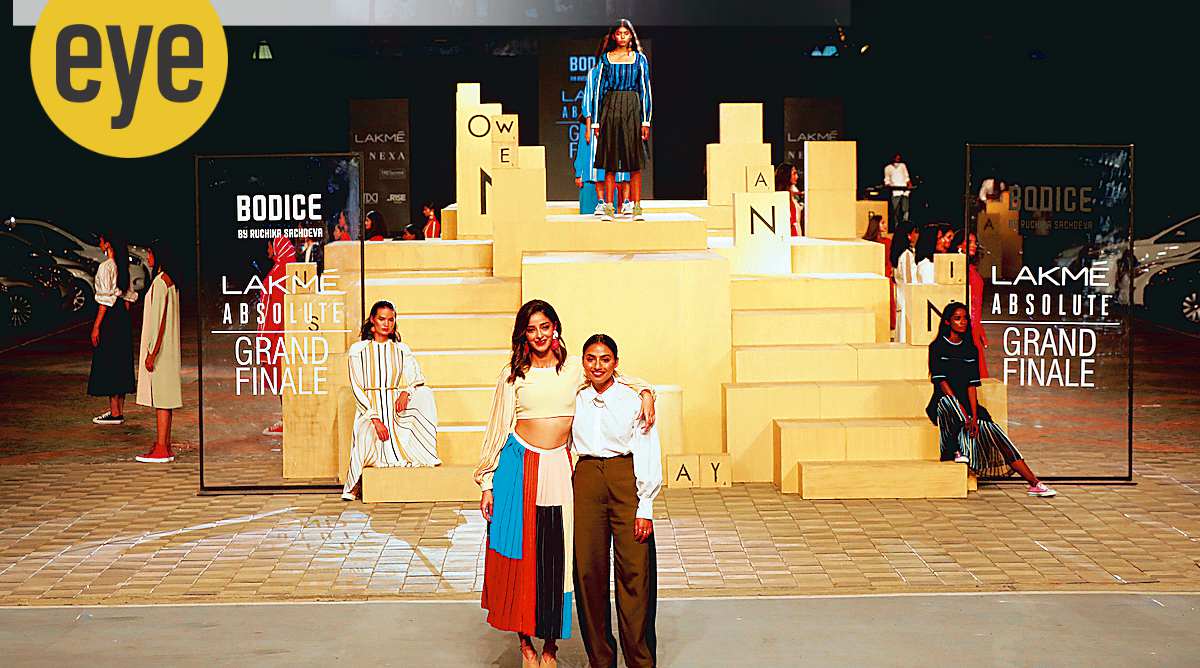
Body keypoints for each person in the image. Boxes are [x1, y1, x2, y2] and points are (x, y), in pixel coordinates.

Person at [475, 299, 657, 668]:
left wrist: (647, 393)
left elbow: (620, 378)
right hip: (517, 468)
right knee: (517, 557)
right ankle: (525, 644)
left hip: (558, 468)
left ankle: (550, 647)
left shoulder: (575, 369)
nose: (539, 335)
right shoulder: (512, 374)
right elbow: (497, 427)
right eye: (531, 329)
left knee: (555, 558)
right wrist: (486, 482)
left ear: (555, 328)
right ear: (523, 335)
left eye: (545, 327)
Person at [572, 334, 662, 668]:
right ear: (583, 362)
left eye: (605, 359)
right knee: (588, 571)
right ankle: (600, 659)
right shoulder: (574, 397)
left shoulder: (632, 399)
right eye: (591, 358)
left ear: (616, 363)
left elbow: (648, 449)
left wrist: (645, 506)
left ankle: (640, 659)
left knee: (635, 571)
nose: (597, 365)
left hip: (626, 477)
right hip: (586, 479)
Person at [926, 302, 1056, 497]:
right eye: (957, 318)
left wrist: (974, 415)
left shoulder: (970, 349)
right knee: (950, 404)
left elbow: (971, 386)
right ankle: (958, 450)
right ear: (947, 322)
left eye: (965, 318)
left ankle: (1034, 483)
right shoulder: (937, 347)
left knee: (996, 434)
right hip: (944, 404)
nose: (963, 322)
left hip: (968, 407)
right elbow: (942, 383)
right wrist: (965, 415)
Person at [342, 300, 440, 500]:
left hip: (395, 409)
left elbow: (416, 376)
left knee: (425, 394)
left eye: (391, 319)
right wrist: (374, 418)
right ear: (372, 320)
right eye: (382, 319)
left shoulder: (401, 349)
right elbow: (357, 387)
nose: (386, 324)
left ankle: (413, 451)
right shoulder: (358, 350)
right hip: (369, 409)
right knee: (366, 435)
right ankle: (356, 482)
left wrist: (406, 391)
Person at [590, 19, 653, 222]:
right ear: (613, 36)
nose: (622, 37)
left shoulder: (639, 59)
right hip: (610, 108)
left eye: (626, 33)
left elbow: (645, 90)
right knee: (610, 161)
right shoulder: (606, 59)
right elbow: (598, 91)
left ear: (631, 35)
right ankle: (609, 207)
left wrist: (646, 121)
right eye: (619, 33)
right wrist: (596, 121)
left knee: (634, 162)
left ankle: (637, 207)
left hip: (632, 109)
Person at [134, 241, 182, 463]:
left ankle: (162, 447)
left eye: (150, 254)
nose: (148, 257)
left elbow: (160, 320)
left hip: (160, 351)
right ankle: (164, 444)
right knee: (165, 398)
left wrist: (152, 352)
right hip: (168, 349)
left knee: (162, 399)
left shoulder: (161, 283)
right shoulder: (170, 281)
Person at [89, 232, 139, 425]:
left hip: (110, 317)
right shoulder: (124, 268)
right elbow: (128, 300)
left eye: (101, 241)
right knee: (120, 361)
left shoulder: (106, 267)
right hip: (122, 318)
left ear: (108, 244)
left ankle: (115, 412)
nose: (100, 244)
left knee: (110, 361)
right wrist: (123, 320)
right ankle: (118, 411)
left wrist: (96, 326)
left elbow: (104, 301)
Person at [579, 66, 631, 218]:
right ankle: (601, 202)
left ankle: (626, 201)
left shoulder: (623, 70)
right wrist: (588, 127)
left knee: (623, 165)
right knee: (597, 165)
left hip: (619, 121)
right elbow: (588, 100)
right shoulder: (594, 73)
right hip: (597, 124)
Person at [259, 236, 296, 436]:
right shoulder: (292, 271)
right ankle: (289, 418)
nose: (267, 249)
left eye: (270, 246)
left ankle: (287, 420)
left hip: (277, 335)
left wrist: (264, 341)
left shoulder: (277, 275)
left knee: (281, 378)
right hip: (290, 334)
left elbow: (271, 312)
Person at [952, 229, 989, 377]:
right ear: (959, 245)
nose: (974, 245)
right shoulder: (958, 268)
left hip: (974, 323)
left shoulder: (970, 268)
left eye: (975, 242)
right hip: (967, 324)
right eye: (969, 242)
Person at [863, 214, 894, 329]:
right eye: (882, 223)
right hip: (874, 274)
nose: (885, 225)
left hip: (886, 274)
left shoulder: (887, 242)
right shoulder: (867, 243)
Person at [891, 223, 921, 343]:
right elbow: (910, 282)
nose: (917, 235)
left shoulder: (900, 255)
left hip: (902, 300)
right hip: (906, 303)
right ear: (909, 235)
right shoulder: (906, 255)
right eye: (915, 232)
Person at [883, 153, 912, 227]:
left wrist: (909, 185)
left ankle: (906, 226)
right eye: (896, 157)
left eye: (899, 157)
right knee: (895, 211)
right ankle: (897, 226)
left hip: (904, 191)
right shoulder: (888, 168)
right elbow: (887, 180)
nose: (898, 159)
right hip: (895, 192)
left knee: (905, 210)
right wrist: (888, 186)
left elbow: (907, 177)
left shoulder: (902, 165)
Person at [774, 162, 804, 236]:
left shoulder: (792, 194)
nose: (797, 177)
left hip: (796, 233)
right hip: (790, 235)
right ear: (786, 175)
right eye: (794, 173)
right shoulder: (781, 197)